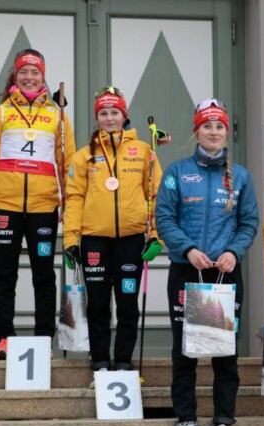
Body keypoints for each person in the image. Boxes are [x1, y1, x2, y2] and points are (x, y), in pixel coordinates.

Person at [155, 98, 259, 426]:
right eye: (207, 126)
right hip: (187, 272)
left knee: (224, 353)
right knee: (185, 351)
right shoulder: (176, 173)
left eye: (219, 126)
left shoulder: (241, 176)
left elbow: (249, 223)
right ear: (196, 131)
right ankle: (187, 421)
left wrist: (233, 252)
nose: (213, 132)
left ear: (226, 132)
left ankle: (223, 421)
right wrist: (187, 250)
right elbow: (164, 218)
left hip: (225, 275)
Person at [0, 49, 76, 359]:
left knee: (44, 274)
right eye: (23, 72)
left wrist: (68, 203)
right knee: (5, 275)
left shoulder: (57, 115)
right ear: (14, 77)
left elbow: (68, 160)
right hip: (5, 206)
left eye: (35, 72)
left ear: (43, 78)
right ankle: (4, 338)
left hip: (44, 207)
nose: (29, 77)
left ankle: (43, 339)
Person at [62, 86, 163, 373]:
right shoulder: (84, 156)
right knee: (97, 305)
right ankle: (100, 361)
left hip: (131, 240)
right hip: (94, 241)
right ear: (98, 118)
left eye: (114, 112)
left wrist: (155, 235)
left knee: (127, 303)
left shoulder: (144, 151)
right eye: (103, 113)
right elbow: (74, 199)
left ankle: (123, 360)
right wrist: (71, 239)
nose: (109, 118)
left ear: (124, 115)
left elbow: (156, 196)